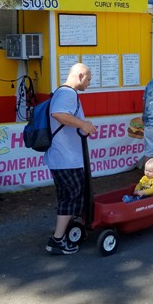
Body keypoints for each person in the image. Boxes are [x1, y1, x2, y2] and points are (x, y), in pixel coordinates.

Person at [44, 63, 97, 255]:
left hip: (64, 157)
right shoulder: (68, 93)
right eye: (89, 79)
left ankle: (66, 232)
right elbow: (58, 113)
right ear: (80, 76)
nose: (89, 83)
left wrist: (83, 125)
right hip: (65, 157)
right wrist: (83, 124)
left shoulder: (63, 91)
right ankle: (57, 240)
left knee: (70, 196)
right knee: (71, 196)